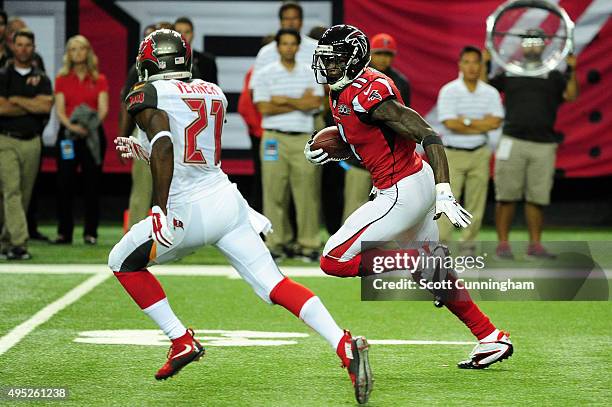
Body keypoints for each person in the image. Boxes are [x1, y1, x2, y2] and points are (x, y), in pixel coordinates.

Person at [110, 29, 372, 404]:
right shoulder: (211, 91)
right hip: (227, 201)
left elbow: (168, 143)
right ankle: (343, 344)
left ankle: (180, 339)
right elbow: (188, 149)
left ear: (152, 61)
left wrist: (158, 208)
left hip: (185, 209)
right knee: (274, 284)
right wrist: (144, 148)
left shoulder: (146, 93)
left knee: (121, 262)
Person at [305, 24, 513, 369]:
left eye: (335, 59)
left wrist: (444, 189)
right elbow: (376, 146)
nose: (327, 67)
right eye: (324, 59)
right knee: (435, 274)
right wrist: (342, 152)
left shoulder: (368, 95)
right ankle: (490, 336)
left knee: (334, 259)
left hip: (401, 191)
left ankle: (413, 262)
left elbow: (427, 134)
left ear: (354, 59)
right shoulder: (344, 88)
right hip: (409, 180)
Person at [481, 29, 579, 259]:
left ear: (545, 45)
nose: (532, 46)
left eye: (537, 42)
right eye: (528, 42)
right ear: (522, 46)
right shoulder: (511, 71)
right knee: (505, 196)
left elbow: (571, 95)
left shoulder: (553, 75)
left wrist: (573, 68)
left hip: (544, 144)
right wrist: (486, 65)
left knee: (538, 197)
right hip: (512, 140)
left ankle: (535, 246)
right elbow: (486, 89)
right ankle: (503, 245)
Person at [253, 29, 324, 261]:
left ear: (297, 46)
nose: (289, 48)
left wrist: (282, 99)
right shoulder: (265, 73)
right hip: (274, 138)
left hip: (303, 138)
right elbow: (264, 108)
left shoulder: (309, 72)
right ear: (278, 47)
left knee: (307, 193)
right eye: (284, 43)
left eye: (293, 43)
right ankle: (276, 243)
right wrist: (299, 103)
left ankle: (308, 244)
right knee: (273, 192)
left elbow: (316, 103)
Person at [436, 46, 503, 252]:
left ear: (481, 66)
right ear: (460, 65)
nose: (472, 67)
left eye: (476, 62)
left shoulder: (490, 92)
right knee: (448, 200)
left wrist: (464, 122)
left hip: (479, 153)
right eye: (467, 62)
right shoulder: (449, 90)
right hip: (453, 154)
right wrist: (478, 123)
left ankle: (468, 244)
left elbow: (495, 122)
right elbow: (449, 123)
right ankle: (442, 244)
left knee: (476, 202)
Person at [342, 32, 414, 222]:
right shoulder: (352, 78)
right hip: (359, 157)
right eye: (380, 53)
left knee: (389, 212)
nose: (384, 58)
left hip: (387, 160)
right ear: (370, 54)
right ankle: (349, 251)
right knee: (354, 209)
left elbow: (404, 120)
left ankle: (379, 251)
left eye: (388, 54)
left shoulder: (400, 83)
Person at [0, 29, 53, 260]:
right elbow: (1, 107)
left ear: (33, 47)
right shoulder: (3, 75)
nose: (23, 49)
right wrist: (32, 103)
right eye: (19, 44)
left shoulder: (42, 77)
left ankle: (6, 239)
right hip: (6, 139)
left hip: (32, 141)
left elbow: (45, 106)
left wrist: (17, 100)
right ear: (13, 46)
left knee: (23, 194)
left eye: (27, 45)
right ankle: (19, 244)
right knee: (11, 189)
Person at [53, 35, 108, 245]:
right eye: (73, 49)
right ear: (68, 53)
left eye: (81, 48)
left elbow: (103, 109)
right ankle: (64, 232)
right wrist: (72, 127)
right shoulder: (61, 79)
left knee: (91, 184)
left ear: (88, 52)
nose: (77, 53)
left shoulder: (99, 79)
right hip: (68, 136)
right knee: (64, 183)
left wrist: (87, 128)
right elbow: (60, 110)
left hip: (92, 135)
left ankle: (90, 232)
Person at [118, 23, 158, 228]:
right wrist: (124, 137)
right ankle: (135, 236)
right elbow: (127, 104)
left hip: (176, 133)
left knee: (180, 189)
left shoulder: (187, 68)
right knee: (142, 188)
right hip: (144, 132)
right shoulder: (139, 68)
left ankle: (179, 238)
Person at [238, 35, 275, 213]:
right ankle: (260, 223)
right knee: (264, 179)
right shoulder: (256, 73)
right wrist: (261, 131)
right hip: (264, 137)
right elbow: (245, 107)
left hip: (270, 134)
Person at [251, 1, 318, 84]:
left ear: (301, 21)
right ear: (280, 22)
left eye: (294, 18)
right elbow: (254, 88)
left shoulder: (317, 49)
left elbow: (329, 84)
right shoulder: (265, 52)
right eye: (286, 18)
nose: (290, 22)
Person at [174, 17, 218, 84]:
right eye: (179, 32)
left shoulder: (208, 61)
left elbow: (214, 89)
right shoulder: (165, 60)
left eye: (187, 32)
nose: (183, 35)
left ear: (193, 34)